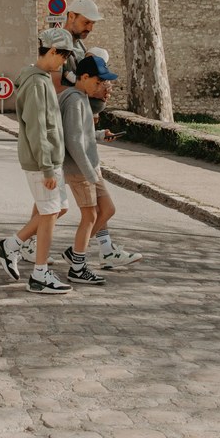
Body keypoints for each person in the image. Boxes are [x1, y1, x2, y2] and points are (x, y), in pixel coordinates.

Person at [0, 27, 78, 295]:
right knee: (50, 212)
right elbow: (37, 128)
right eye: (63, 57)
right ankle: (40, 274)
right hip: (42, 162)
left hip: (50, 159)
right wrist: (47, 166)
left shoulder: (40, 79)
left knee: (57, 209)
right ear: (53, 51)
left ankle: (11, 245)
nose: (64, 62)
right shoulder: (36, 82)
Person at [58, 54, 140, 283]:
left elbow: (81, 135)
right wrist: (89, 173)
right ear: (84, 77)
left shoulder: (82, 96)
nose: (102, 85)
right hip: (80, 168)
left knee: (107, 210)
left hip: (89, 166)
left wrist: (99, 135)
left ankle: (75, 253)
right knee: (90, 216)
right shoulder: (74, 99)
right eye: (98, 81)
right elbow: (73, 141)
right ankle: (77, 267)